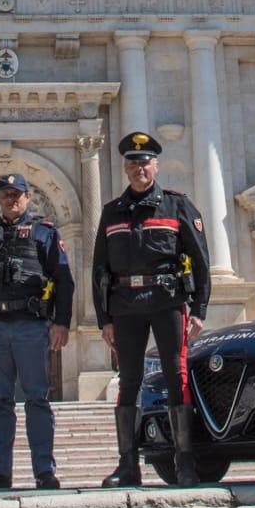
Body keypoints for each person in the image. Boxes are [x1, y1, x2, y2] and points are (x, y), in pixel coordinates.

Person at [92, 131, 210, 487]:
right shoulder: (112, 212)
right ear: (125, 168)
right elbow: (99, 268)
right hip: (125, 307)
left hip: (167, 303)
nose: (138, 168)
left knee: (176, 377)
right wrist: (104, 319)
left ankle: (185, 462)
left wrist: (199, 309)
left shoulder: (177, 206)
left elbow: (200, 262)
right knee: (128, 381)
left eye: (144, 162)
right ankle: (128, 466)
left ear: (155, 166)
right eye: (132, 162)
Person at [0, 173, 73, 490]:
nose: (12, 199)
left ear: (28, 198)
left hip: (30, 325)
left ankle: (44, 471)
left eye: (17, 194)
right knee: (0, 402)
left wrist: (61, 323)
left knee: (37, 398)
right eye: (6, 194)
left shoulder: (44, 233)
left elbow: (63, 281)